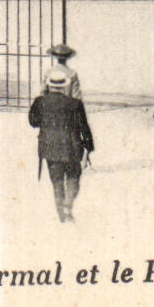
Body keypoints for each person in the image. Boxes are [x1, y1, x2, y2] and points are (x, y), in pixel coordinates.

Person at [27, 68, 95, 223]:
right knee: (73, 177)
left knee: (56, 180)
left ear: (49, 85)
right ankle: (68, 205)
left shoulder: (40, 102)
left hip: (50, 147)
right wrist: (89, 146)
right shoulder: (75, 104)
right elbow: (84, 127)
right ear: (64, 86)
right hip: (72, 147)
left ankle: (62, 214)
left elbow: (33, 122)